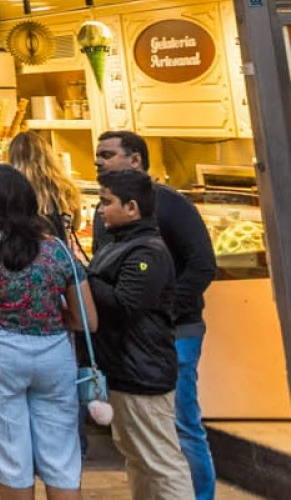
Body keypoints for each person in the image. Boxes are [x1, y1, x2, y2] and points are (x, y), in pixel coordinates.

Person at [0, 163, 92, 500]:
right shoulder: (57, 249)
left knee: (11, 461)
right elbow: (87, 318)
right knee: (62, 460)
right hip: (54, 355)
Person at [93, 130, 216, 500]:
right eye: (97, 154)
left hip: (177, 334)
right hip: (131, 344)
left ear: (135, 160)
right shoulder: (108, 212)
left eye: (108, 154)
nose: (99, 160)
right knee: (141, 447)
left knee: (180, 427)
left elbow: (202, 265)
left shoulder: (171, 206)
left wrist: (160, 309)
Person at [86, 168, 192, 500]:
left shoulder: (146, 252)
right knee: (138, 459)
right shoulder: (121, 243)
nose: (100, 210)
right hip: (125, 369)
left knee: (160, 462)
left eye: (107, 202)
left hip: (142, 373)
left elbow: (125, 305)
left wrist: (83, 278)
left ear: (131, 207)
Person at [8, 131, 82, 243]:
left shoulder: (10, 190)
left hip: (23, 255)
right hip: (61, 254)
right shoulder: (66, 187)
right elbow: (76, 225)